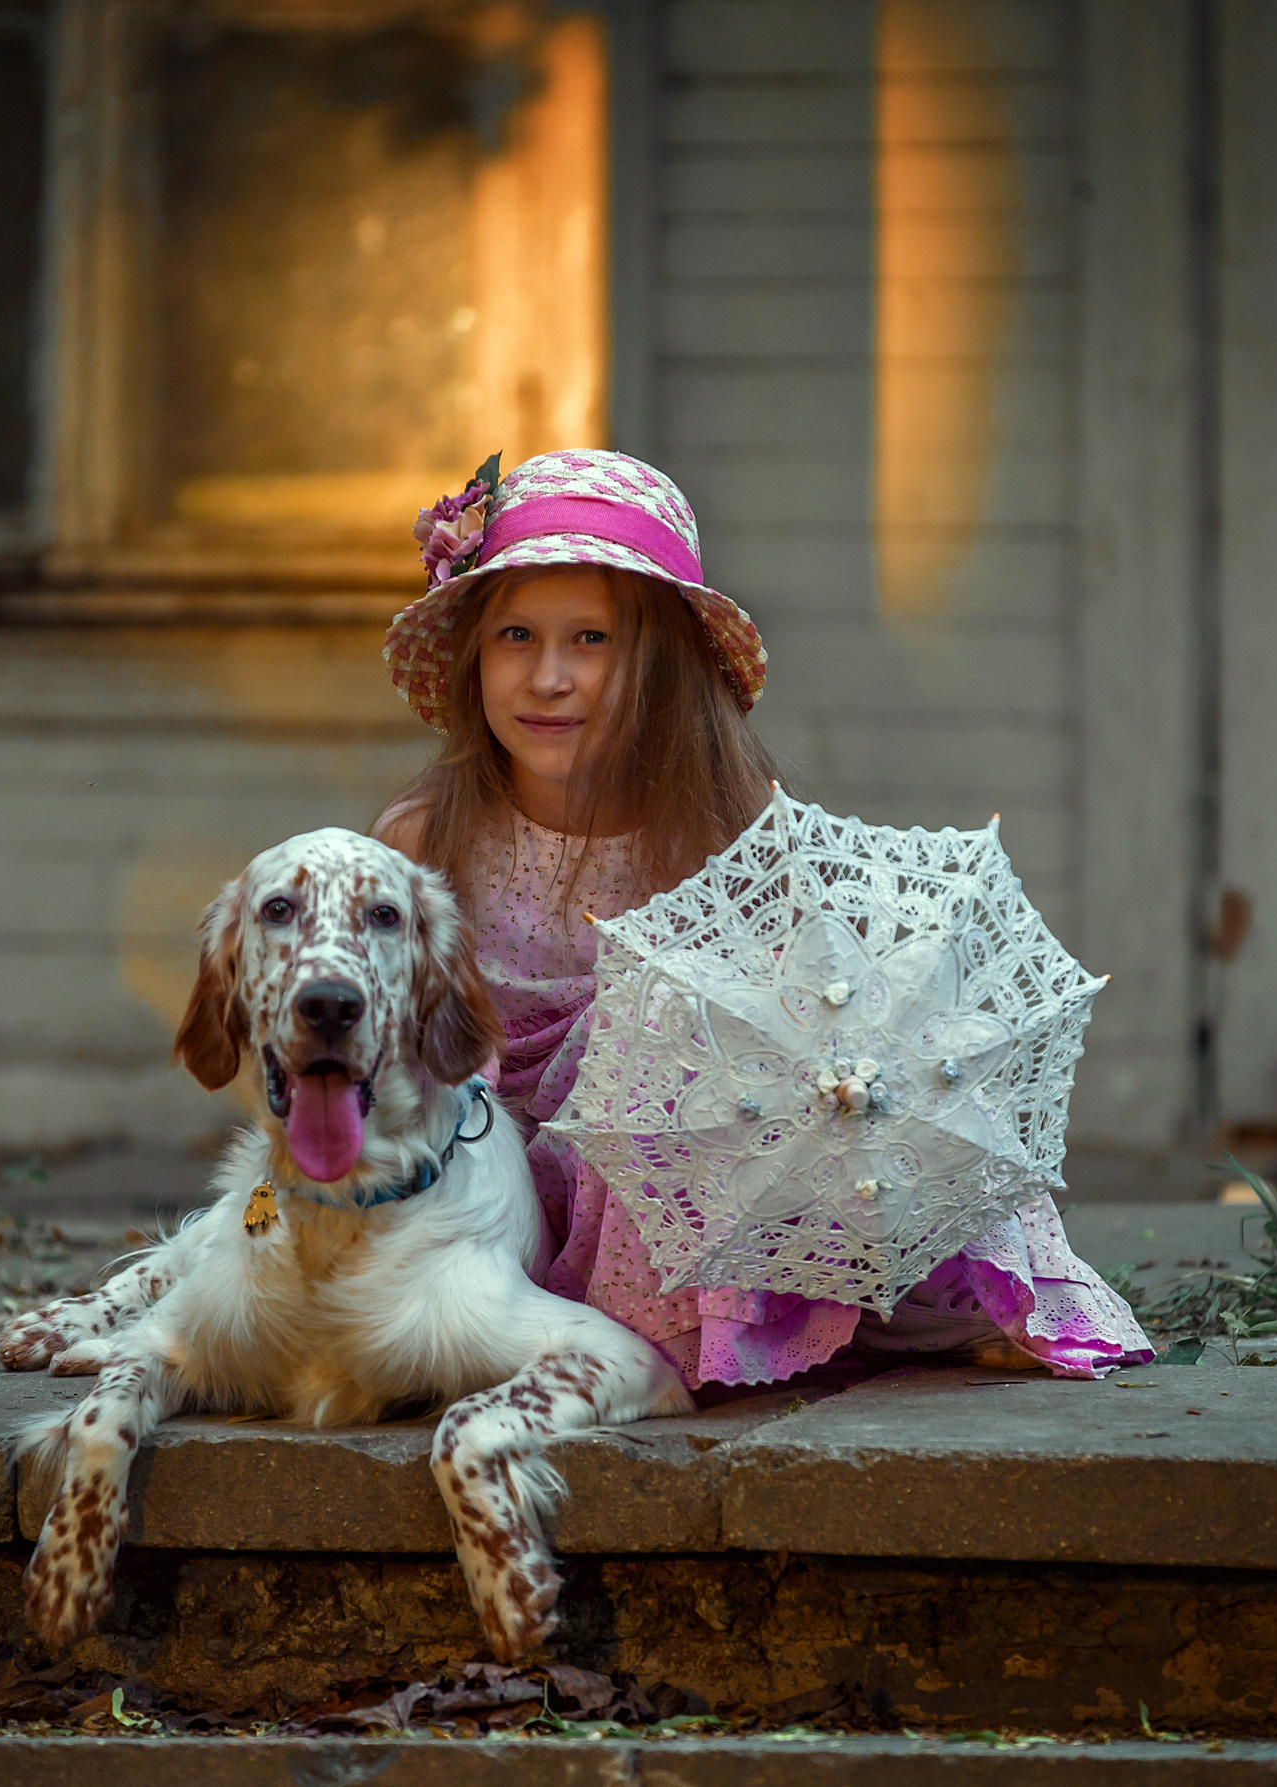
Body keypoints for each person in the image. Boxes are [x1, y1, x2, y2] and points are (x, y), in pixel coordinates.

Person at [376, 448, 1152, 1387]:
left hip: (671, 1172)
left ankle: (752, 1319)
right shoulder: (427, 837)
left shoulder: (721, 829)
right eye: (515, 636)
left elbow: (787, 1047)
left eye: (591, 640)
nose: (548, 676)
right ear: (473, 651)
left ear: (662, 665)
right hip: (493, 1175)